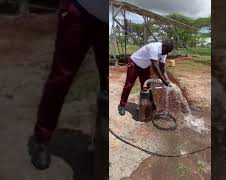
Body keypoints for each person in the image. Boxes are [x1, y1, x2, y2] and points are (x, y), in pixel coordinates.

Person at [28, 0, 107, 170]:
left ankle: (101, 143)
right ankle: (41, 139)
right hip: (81, 9)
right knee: (60, 78)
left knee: (109, 87)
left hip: (109, 22)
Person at [118, 41, 174, 115]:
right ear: (164, 47)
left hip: (144, 67)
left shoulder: (164, 52)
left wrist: (167, 80)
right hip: (134, 63)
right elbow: (156, 67)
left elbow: (162, 68)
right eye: (167, 51)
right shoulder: (154, 48)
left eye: (168, 52)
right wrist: (164, 81)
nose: (167, 53)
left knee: (146, 86)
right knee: (129, 85)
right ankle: (122, 105)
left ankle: (143, 105)